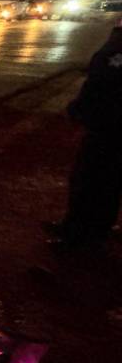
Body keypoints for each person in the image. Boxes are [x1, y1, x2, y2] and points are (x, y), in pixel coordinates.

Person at [50, 22, 122, 250]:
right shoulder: (117, 40)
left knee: (95, 180)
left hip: (111, 125)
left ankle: (82, 236)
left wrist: (81, 108)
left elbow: (105, 81)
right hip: (105, 122)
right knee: (95, 179)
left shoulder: (118, 47)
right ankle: (78, 227)